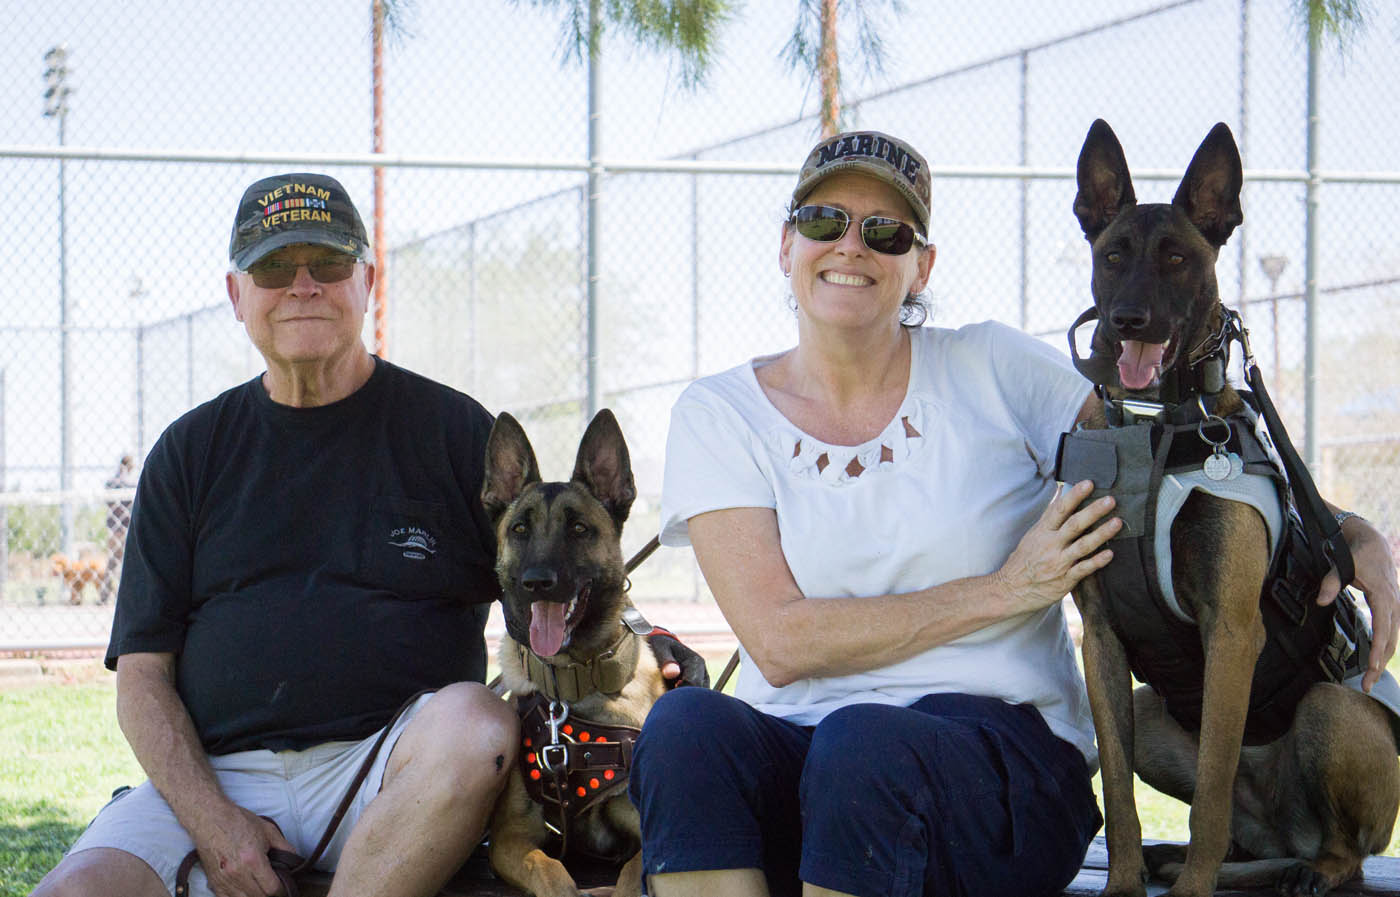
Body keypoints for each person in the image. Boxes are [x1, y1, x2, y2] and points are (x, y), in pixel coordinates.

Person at [627, 130, 1400, 897]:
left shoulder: (992, 366)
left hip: (999, 758)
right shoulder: (720, 412)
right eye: (826, 222)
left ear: (921, 264)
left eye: (886, 231)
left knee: (861, 748)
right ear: (788, 242)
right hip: (805, 752)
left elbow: (1175, 456)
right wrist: (1007, 588)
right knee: (686, 729)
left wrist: (1348, 530)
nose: (852, 247)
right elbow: (779, 641)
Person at [33, 172, 703, 897]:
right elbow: (142, 681)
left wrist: (641, 636)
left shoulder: (451, 431)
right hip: (214, 773)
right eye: (272, 268)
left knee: (478, 720)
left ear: (367, 281)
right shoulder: (188, 452)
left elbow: (543, 565)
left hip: (396, 772)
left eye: (327, 264)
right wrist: (213, 821)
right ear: (237, 295)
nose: (302, 286)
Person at [98, 454, 137, 605]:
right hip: (122, 526)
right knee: (118, 562)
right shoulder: (126, 482)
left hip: (117, 526)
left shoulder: (114, 482)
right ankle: (110, 595)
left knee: (113, 562)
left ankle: (106, 595)